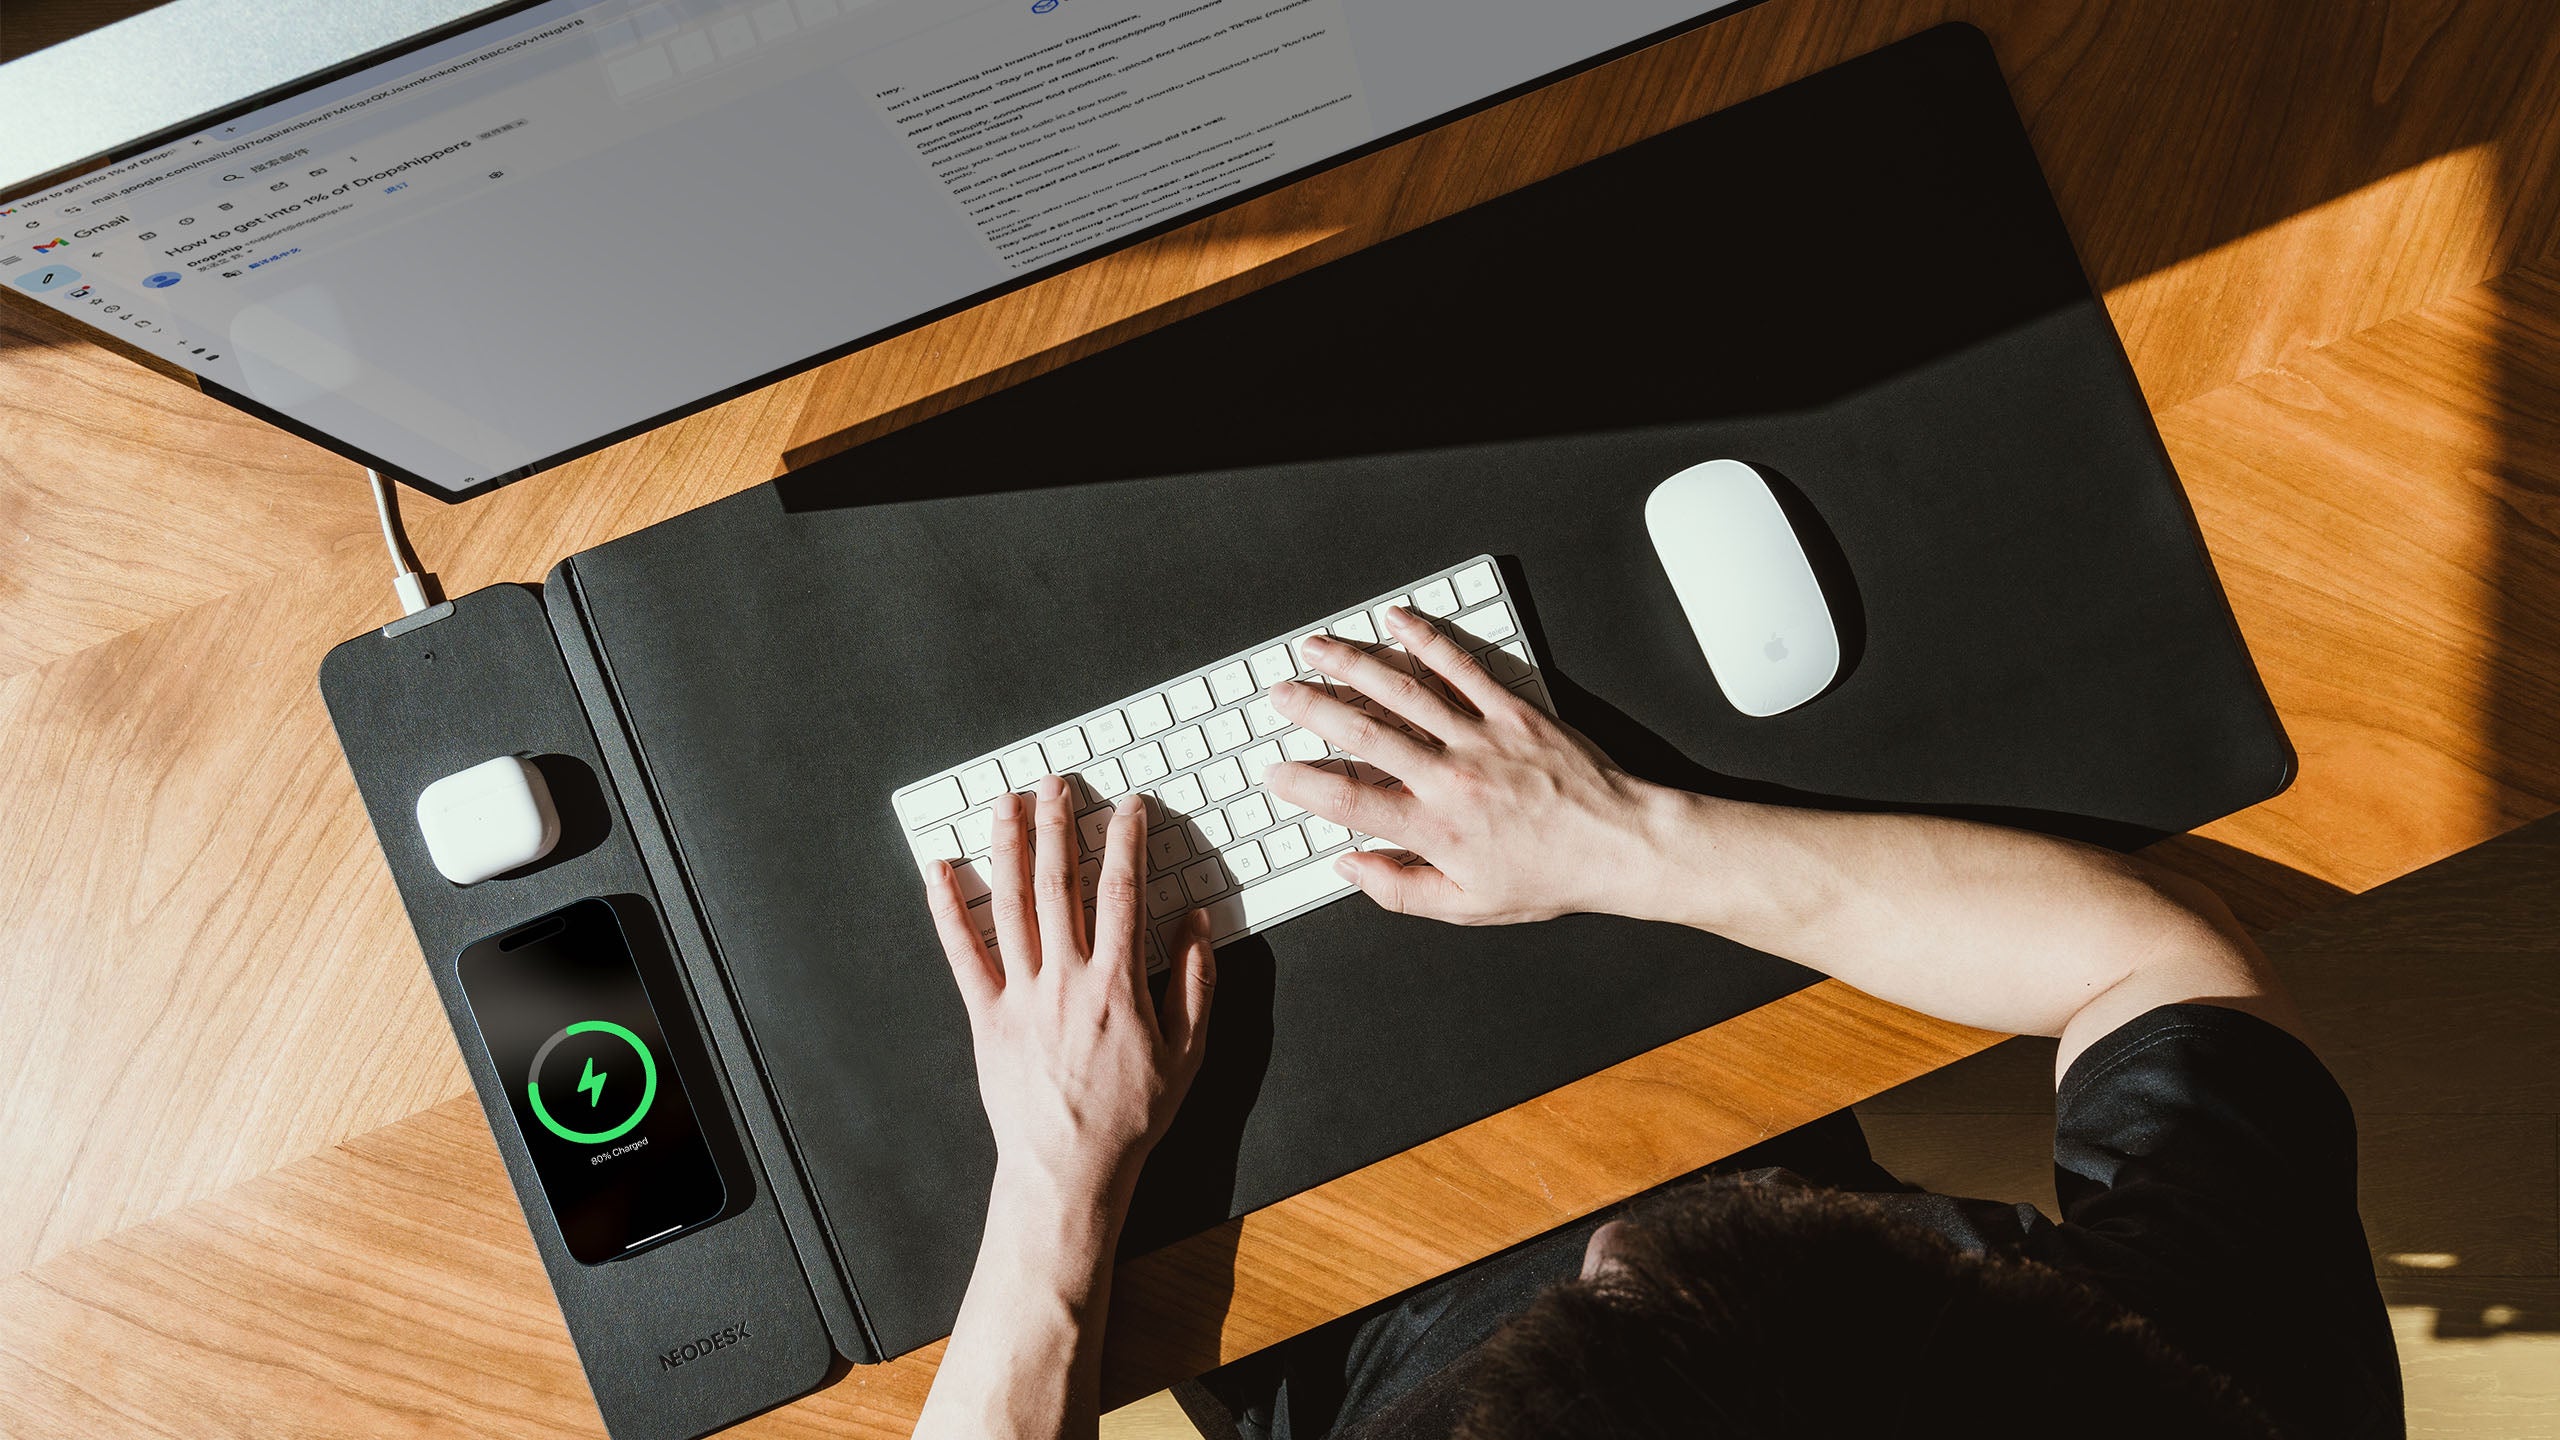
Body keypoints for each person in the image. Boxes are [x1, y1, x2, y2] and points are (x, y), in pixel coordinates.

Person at [909, 606, 2401, 1440]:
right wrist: (1630, 840)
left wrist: (1055, 1170)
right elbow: (2164, 971)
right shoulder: (2205, 1399)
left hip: (1319, 1341)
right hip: (1678, 1080)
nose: (1623, 1241)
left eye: (1617, 1308)